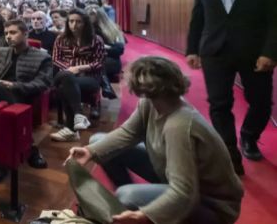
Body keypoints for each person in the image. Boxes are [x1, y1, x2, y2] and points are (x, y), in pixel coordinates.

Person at [68, 56, 244, 224]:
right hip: (177, 179)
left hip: (212, 205)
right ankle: (132, 210)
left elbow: (184, 192)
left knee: (127, 194)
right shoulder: (152, 103)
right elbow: (128, 133)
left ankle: (139, 209)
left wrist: (145, 214)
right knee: (98, 141)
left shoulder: (179, 125)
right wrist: (90, 152)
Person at [186, 0, 277, 175]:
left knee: (261, 102)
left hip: (255, 54)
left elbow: (274, 22)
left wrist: (270, 52)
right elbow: (197, 21)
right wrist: (192, 50)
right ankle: (229, 152)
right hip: (215, 53)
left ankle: (248, 136)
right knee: (219, 104)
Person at [0, 19, 52, 183]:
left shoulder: (42, 57)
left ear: (26, 34)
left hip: (22, 96)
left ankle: (2, 162)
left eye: (13, 33)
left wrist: (15, 85)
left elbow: (43, 83)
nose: (8, 37)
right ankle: (29, 146)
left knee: (2, 95)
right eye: (6, 33)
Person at [51, 9, 106, 142]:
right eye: (71, 21)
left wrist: (80, 68)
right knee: (67, 77)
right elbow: (55, 59)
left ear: (85, 23)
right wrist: (70, 69)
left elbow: (99, 62)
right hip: (65, 73)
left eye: (78, 22)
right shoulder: (61, 38)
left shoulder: (95, 40)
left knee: (64, 87)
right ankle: (78, 115)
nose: (74, 25)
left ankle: (71, 130)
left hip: (89, 77)